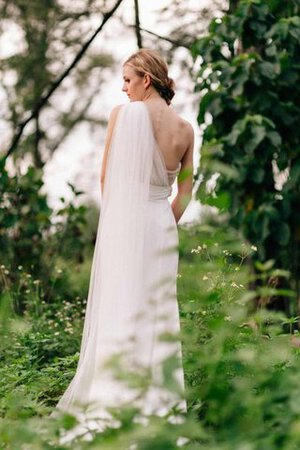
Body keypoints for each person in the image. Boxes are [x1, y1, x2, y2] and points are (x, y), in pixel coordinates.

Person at [52, 48, 194, 443]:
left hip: (125, 222)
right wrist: (164, 220)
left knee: (120, 305)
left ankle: (114, 405)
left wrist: (119, 226)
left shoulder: (123, 115)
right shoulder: (185, 129)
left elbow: (106, 180)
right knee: (159, 312)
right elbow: (185, 191)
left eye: (128, 80)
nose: (124, 87)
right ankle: (161, 407)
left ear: (146, 79)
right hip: (161, 227)